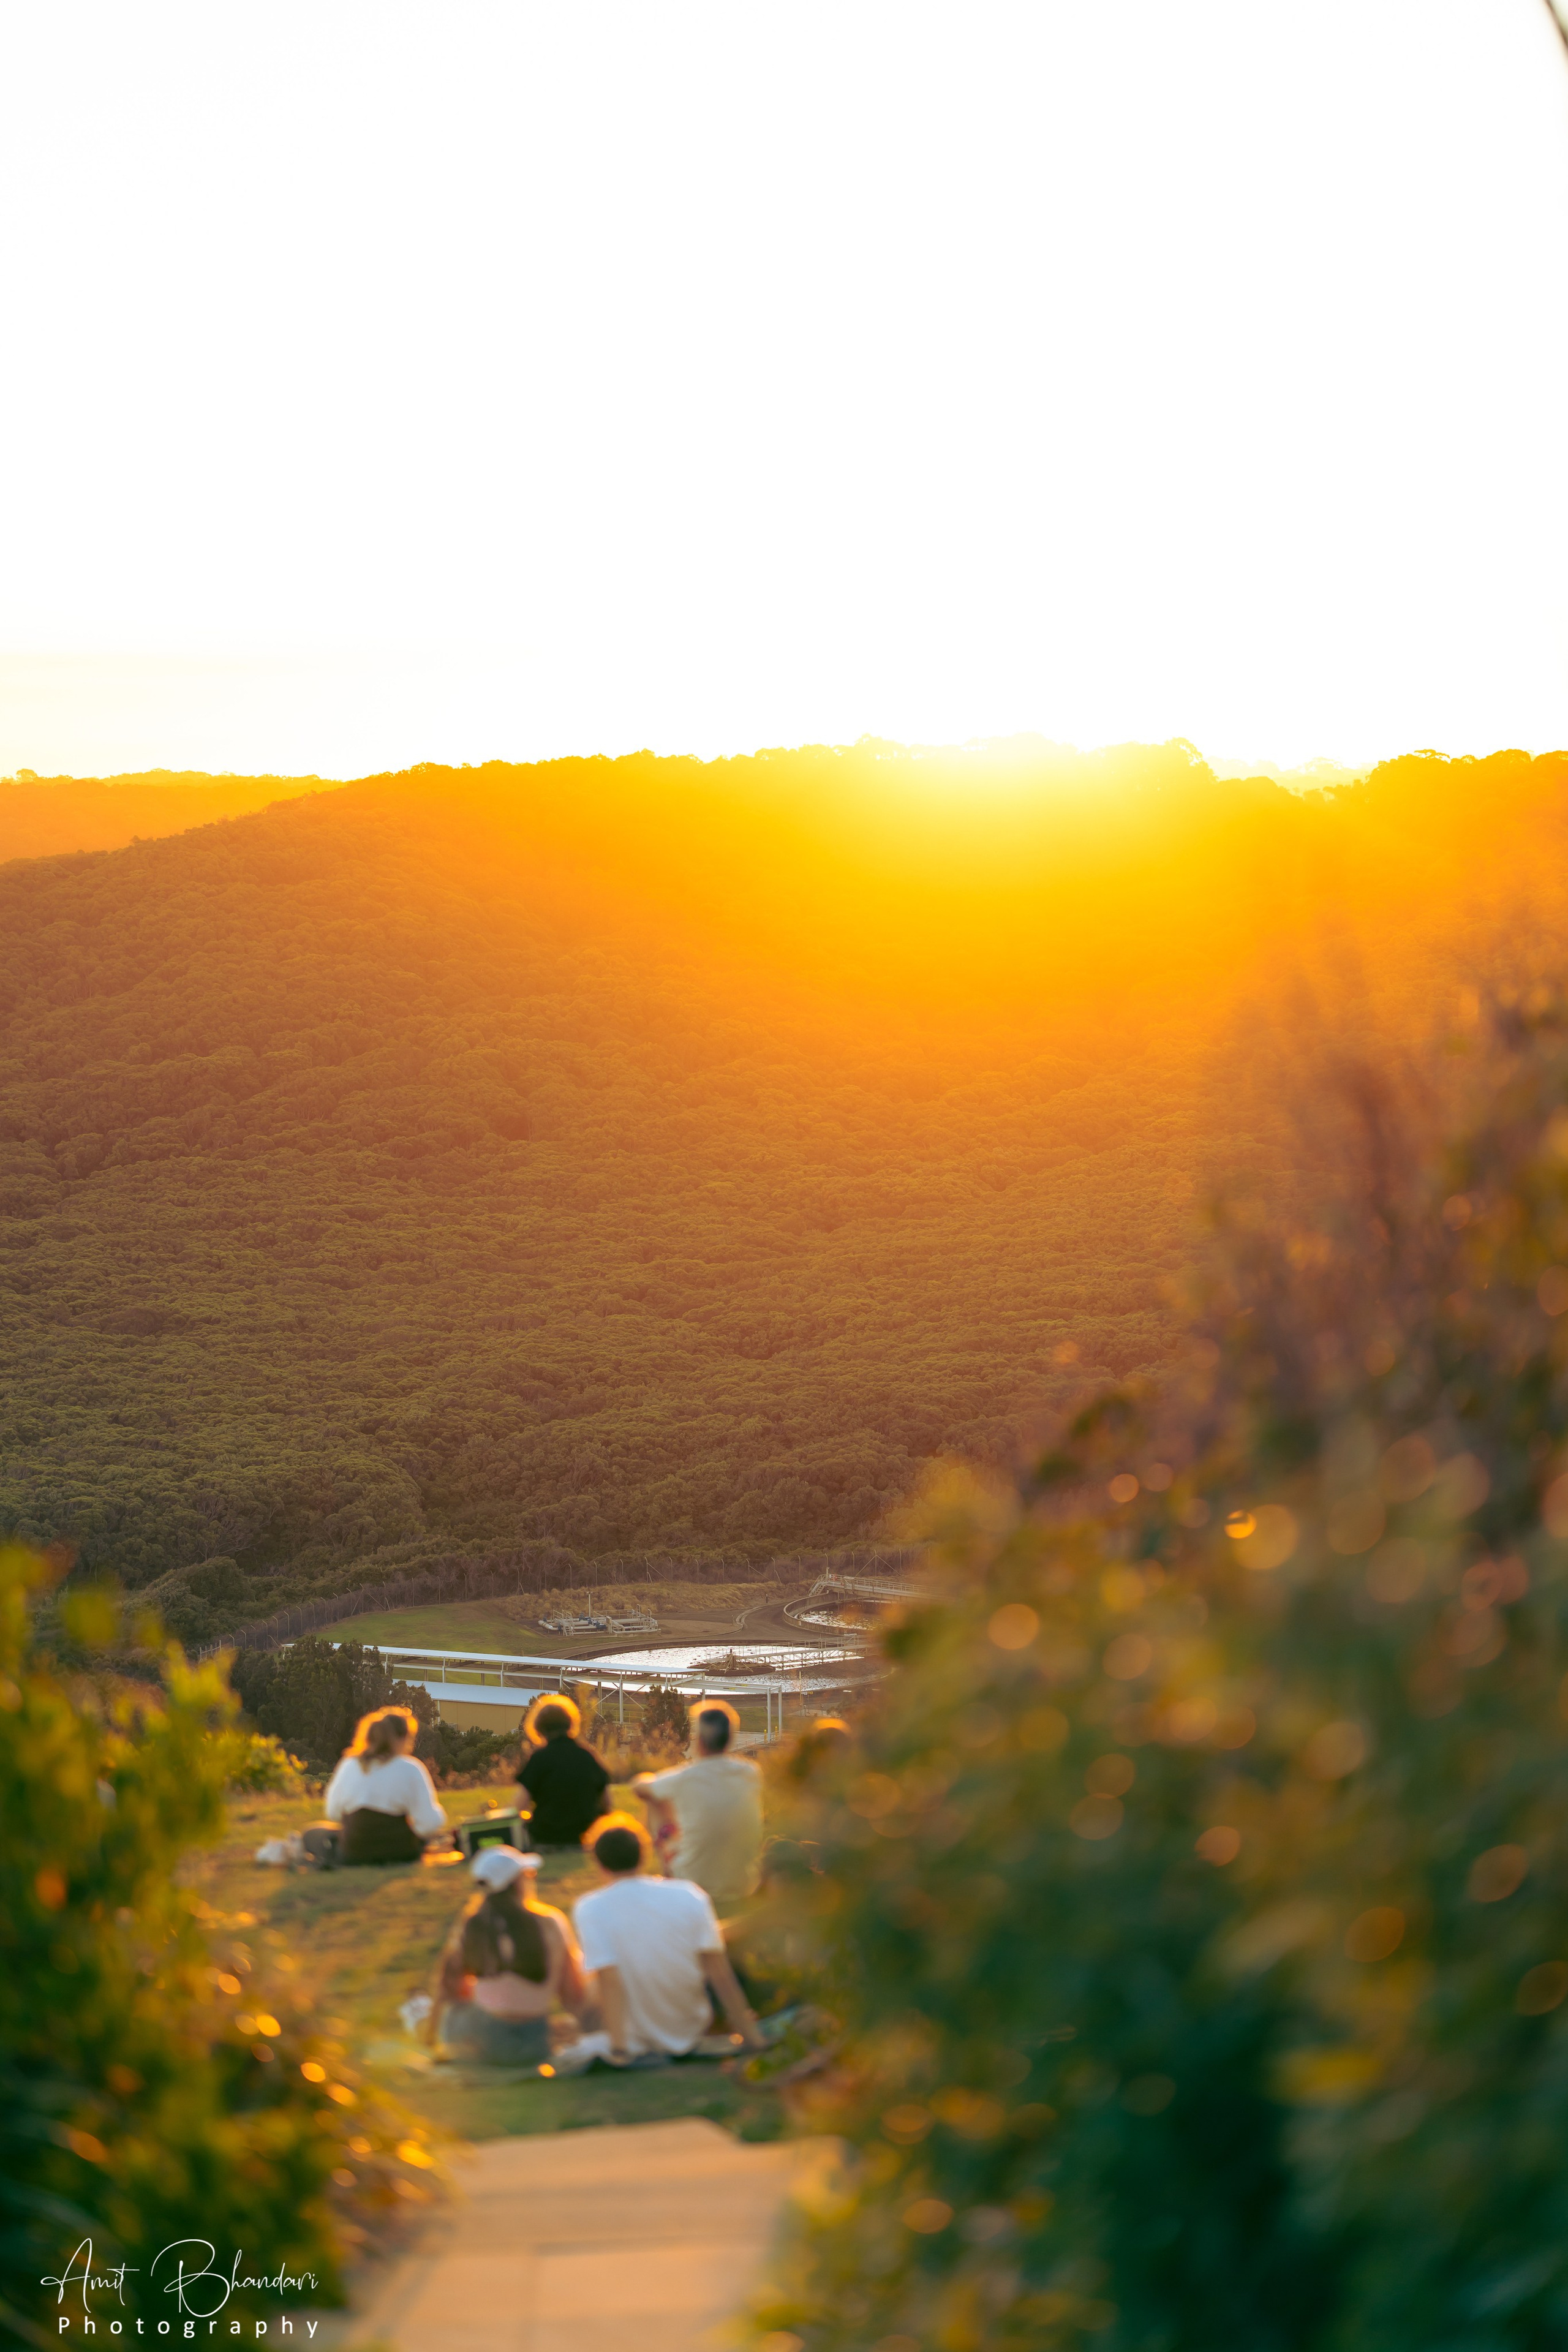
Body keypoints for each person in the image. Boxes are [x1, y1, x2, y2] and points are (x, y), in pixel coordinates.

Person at [572, 1813, 765, 2062]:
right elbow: (719, 1972)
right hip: (692, 2028)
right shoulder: (688, 1895)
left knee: (585, 1975)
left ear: (598, 1863)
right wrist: (750, 2036)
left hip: (635, 2037)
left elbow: (609, 1979)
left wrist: (620, 2050)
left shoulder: (591, 1907)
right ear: (645, 1855)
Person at [434, 1846, 592, 2065]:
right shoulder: (550, 1922)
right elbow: (573, 1993)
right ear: (518, 1882)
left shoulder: (474, 1925)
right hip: (536, 2042)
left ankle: (449, 2049)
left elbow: (449, 1987)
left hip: (484, 2044)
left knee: (454, 2011)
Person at [631, 1700, 763, 1910]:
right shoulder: (751, 1774)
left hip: (692, 1884)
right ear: (730, 1738)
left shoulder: (685, 1778)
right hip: (743, 1884)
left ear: (699, 1740)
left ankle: (667, 1870)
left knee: (654, 1798)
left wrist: (650, 1779)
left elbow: (639, 1787)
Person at [303, 1704, 448, 1867]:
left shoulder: (350, 1764)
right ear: (404, 1738)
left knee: (311, 1834)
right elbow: (429, 1824)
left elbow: (333, 1813)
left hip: (353, 1853)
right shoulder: (411, 1768)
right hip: (402, 1852)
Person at [514, 1694, 611, 1849]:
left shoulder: (540, 1758)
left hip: (547, 1839)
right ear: (570, 1724)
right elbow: (607, 1803)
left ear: (539, 1727)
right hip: (586, 1838)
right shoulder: (587, 1756)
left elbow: (518, 1807)